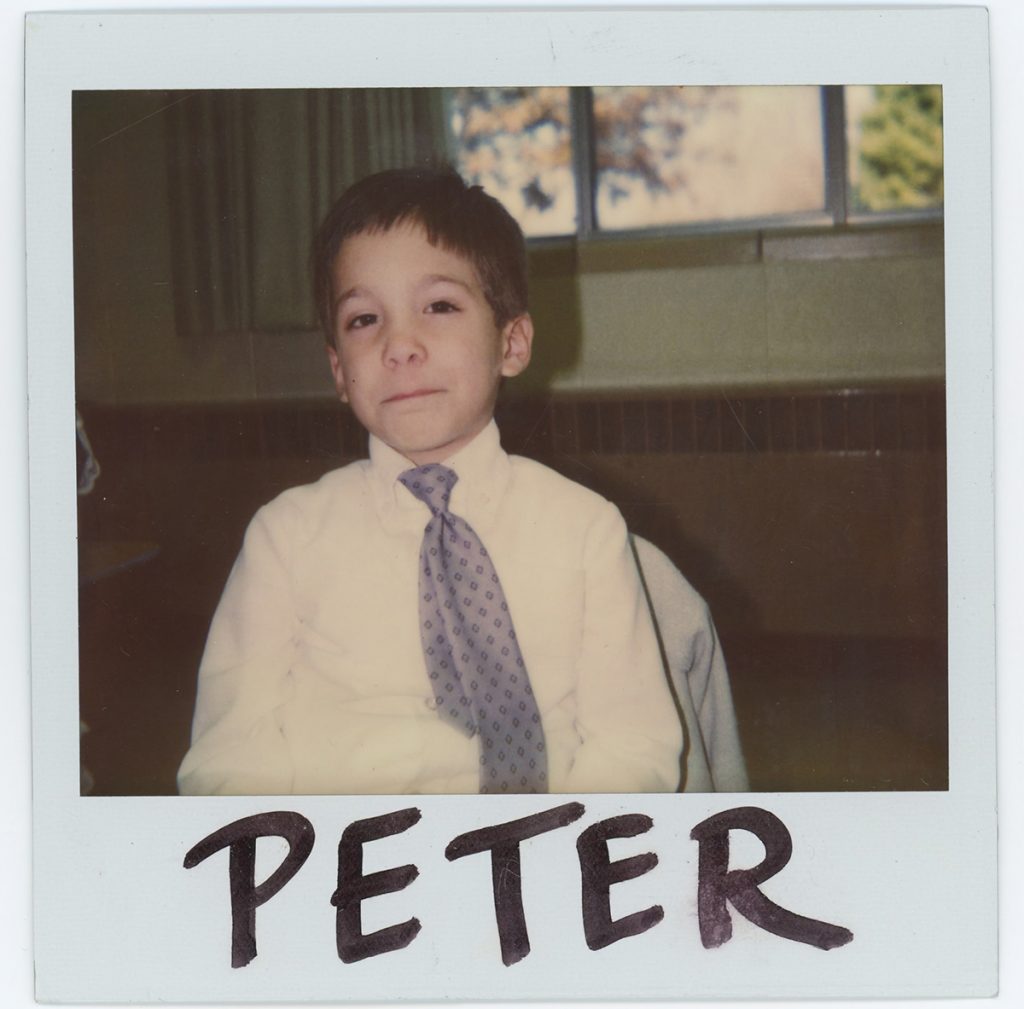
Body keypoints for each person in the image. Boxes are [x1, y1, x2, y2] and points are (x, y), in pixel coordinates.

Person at [177, 167, 684, 796]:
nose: (400, 345)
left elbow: (632, 747)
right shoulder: (286, 537)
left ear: (512, 343)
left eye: (439, 306)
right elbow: (230, 756)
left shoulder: (585, 530)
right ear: (338, 369)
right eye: (364, 319)